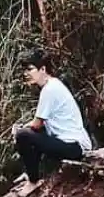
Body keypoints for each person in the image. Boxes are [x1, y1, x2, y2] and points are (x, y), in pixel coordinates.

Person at [10, 49, 93, 182]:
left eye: (30, 69)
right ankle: (29, 173)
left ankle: (32, 181)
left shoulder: (49, 89)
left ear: (42, 69)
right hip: (73, 144)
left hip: (74, 147)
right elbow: (39, 125)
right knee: (31, 133)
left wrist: (19, 129)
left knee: (23, 135)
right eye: (25, 70)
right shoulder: (53, 85)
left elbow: (36, 124)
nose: (26, 74)